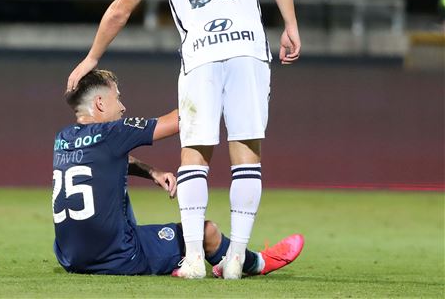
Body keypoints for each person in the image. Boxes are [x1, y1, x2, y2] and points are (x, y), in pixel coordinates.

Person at [66, 0, 301, 279]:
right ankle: (235, 258)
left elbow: (122, 8)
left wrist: (92, 57)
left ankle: (193, 258)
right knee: (246, 152)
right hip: (248, 48)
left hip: (199, 55)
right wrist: (291, 25)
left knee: (194, 154)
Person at [53, 69, 304, 277]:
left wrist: (151, 171)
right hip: (119, 257)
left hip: (71, 258)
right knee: (207, 232)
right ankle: (257, 262)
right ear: (99, 102)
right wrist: (220, 90)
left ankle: (174, 259)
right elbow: (181, 119)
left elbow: (104, 160)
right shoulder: (114, 132)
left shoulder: (63, 139)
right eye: (117, 98)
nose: (122, 106)